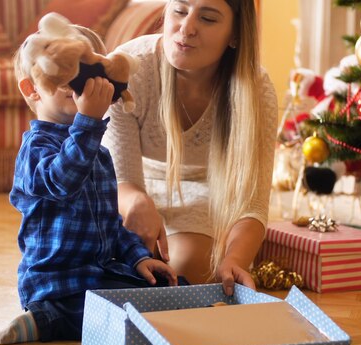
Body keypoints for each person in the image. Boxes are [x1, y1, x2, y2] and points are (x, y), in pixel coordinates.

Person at [0, 25, 178, 345]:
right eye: (67, 73)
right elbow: (62, 180)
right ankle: (45, 321)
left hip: (100, 272)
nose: (80, 82)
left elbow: (110, 223)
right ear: (32, 89)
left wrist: (137, 257)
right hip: (57, 283)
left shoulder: (99, 153)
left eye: (90, 71)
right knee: (109, 311)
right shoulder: (35, 148)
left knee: (169, 291)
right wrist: (89, 122)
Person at [101, 0, 278, 295]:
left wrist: (234, 259)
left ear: (235, 35)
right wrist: (137, 202)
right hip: (131, 188)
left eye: (207, 19)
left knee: (181, 278)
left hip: (209, 192)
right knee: (101, 267)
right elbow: (120, 178)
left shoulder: (256, 90)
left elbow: (252, 203)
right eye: (180, 11)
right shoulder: (128, 68)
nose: (187, 28)